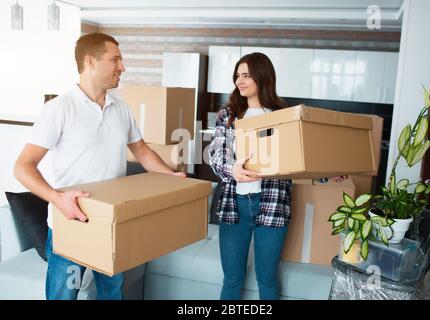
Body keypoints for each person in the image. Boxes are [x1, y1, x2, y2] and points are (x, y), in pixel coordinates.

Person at [13, 32, 186, 300]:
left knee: (112, 294)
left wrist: (171, 175)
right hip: (70, 225)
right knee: (63, 296)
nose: (122, 67)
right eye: (115, 59)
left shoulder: (122, 108)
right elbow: (23, 166)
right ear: (90, 61)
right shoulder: (58, 109)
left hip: (110, 226)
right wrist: (56, 198)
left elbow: (141, 150)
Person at [208, 52, 345, 300]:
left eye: (247, 75)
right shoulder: (228, 115)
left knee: (267, 278)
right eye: (237, 75)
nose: (240, 80)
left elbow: (300, 158)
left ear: (263, 76)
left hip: (272, 203)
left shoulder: (284, 115)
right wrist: (233, 170)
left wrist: (327, 172)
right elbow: (217, 157)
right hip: (234, 205)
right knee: (232, 278)